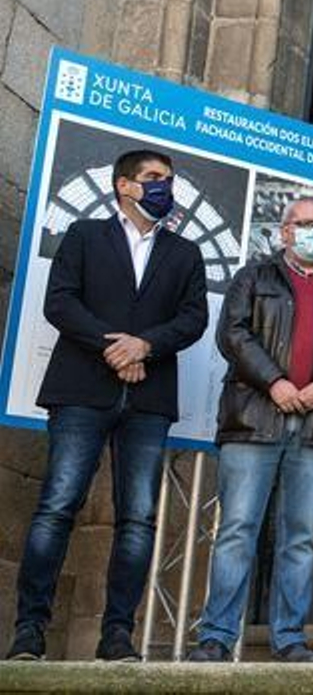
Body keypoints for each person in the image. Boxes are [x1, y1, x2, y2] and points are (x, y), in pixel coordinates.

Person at [6, 150, 208, 662]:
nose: (165, 187)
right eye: (154, 178)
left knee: (138, 518)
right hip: (81, 391)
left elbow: (192, 319)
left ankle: (117, 635)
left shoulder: (185, 252)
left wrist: (146, 346)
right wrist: (114, 348)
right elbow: (61, 302)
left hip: (149, 400)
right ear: (125, 186)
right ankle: (30, 631)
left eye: (169, 180)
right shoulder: (84, 235)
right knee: (57, 505)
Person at [186, 195, 313, 663]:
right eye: (306, 223)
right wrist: (274, 381)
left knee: (300, 537)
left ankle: (289, 637)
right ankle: (216, 636)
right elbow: (233, 333)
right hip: (254, 419)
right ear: (285, 232)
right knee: (236, 530)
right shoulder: (254, 276)